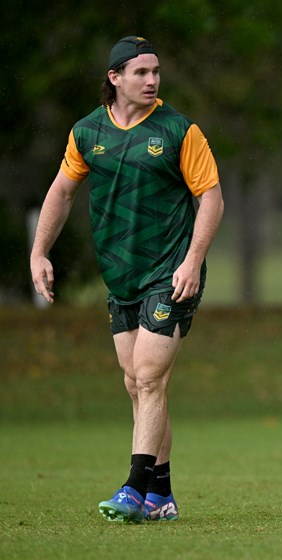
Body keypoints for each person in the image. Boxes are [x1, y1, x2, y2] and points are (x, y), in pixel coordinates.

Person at [29, 36, 224, 523]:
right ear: (114, 78)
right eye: (140, 72)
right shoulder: (86, 132)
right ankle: (162, 495)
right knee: (137, 383)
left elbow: (213, 199)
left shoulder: (180, 130)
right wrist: (39, 252)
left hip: (171, 271)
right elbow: (61, 192)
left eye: (156, 70)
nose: (152, 79)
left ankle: (134, 488)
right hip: (121, 278)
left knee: (152, 376)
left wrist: (193, 261)